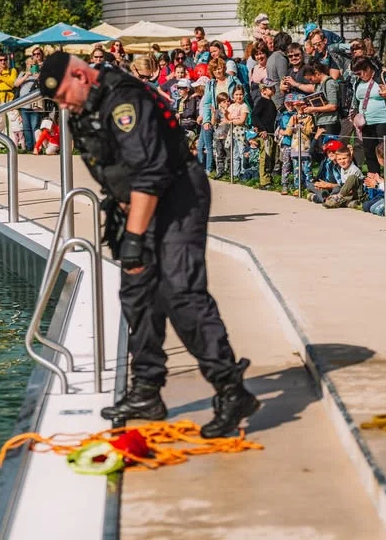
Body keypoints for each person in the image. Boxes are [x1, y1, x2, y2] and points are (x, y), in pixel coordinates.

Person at [37, 51, 259, 438]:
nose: (63, 106)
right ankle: (146, 390)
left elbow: (150, 173)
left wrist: (136, 239)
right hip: (136, 203)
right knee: (137, 291)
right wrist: (126, 223)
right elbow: (112, 169)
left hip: (176, 195)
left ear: (79, 74)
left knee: (181, 292)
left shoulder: (124, 100)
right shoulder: (84, 107)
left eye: (63, 96)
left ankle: (230, 389)